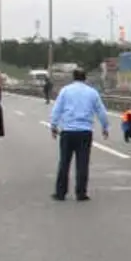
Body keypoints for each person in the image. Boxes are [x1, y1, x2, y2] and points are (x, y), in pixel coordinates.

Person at [48, 68, 109, 202]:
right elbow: (101, 111)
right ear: (85, 78)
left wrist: (53, 125)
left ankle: (60, 192)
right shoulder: (92, 92)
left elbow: (57, 109)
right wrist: (105, 127)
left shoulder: (65, 91)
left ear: (73, 77)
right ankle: (81, 193)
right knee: (83, 163)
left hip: (68, 131)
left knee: (64, 162)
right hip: (85, 131)